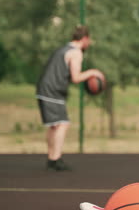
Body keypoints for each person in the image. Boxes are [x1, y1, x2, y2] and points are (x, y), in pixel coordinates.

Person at [36, 25, 104, 171]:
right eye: (89, 40)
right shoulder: (76, 52)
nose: (89, 43)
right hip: (52, 90)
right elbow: (76, 77)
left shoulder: (63, 48)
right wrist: (93, 72)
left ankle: (51, 158)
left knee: (53, 125)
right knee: (63, 123)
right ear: (85, 39)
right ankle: (56, 159)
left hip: (44, 88)